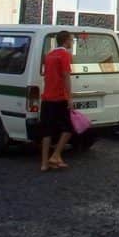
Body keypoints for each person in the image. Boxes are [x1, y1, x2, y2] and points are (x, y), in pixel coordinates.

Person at [40, 30, 73, 172]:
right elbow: (66, 76)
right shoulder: (64, 55)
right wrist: (70, 97)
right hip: (59, 97)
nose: (72, 42)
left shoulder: (49, 55)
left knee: (47, 131)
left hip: (47, 97)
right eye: (71, 40)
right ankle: (56, 155)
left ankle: (44, 163)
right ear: (66, 41)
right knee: (68, 128)